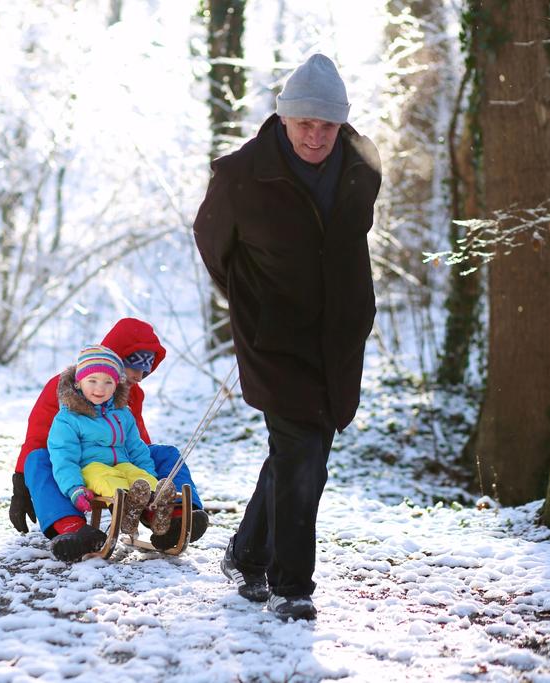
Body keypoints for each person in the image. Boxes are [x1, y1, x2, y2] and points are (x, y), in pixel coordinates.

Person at [192, 53, 381, 621]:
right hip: (274, 340)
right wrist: (254, 303)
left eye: (328, 124)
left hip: (338, 338)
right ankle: (291, 584)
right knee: (304, 457)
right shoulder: (240, 175)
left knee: (298, 451)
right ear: (283, 118)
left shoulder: (362, 165)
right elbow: (211, 244)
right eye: (305, 123)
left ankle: (247, 555)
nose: (317, 135)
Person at [9, 318, 209, 561]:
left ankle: (172, 517)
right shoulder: (63, 389)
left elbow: (137, 440)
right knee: (38, 460)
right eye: (133, 365)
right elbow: (40, 436)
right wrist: (20, 482)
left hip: (121, 460)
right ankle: (70, 528)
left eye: (146, 367)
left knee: (165, 453)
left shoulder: (130, 393)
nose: (140, 375)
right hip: (81, 462)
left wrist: (146, 473)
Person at [48, 345, 176, 538]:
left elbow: (136, 448)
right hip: (90, 467)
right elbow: (63, 457)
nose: (100, 388)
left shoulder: (123, 413)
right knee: (107, 479)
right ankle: (126, 510)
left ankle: (156, 510)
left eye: (108, 382)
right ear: (78, 382)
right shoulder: (68, 418)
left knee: (141, 479)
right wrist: (75, 488)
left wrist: (148, 473)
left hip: (123, 464)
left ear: (117, 385)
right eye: (92, 380)